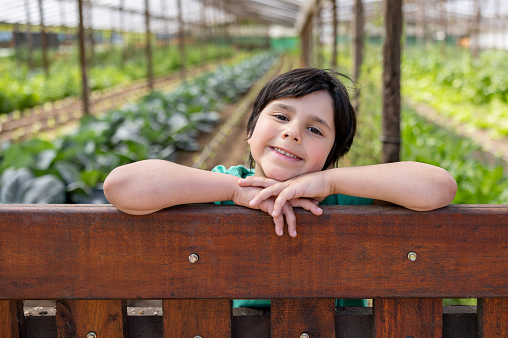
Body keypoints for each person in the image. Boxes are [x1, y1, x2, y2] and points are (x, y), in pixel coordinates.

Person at [104, 67, 457, 308]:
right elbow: (121, 185)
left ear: (332, 156)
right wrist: (237, 191)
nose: (293, 132)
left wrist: (328, 181)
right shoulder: (224, 185)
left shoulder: (338, 195)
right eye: (281, 117)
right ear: (250, 130)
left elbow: (438, 186)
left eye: (316, 130)